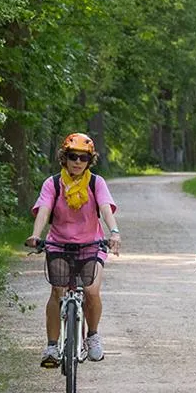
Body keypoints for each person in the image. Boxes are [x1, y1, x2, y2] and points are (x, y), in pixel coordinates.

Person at [25, 132, 121, 368]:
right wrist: (36, 236)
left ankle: (93, 335)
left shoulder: (96, 183)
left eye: (83, 158)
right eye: (72, 156)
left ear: (90, 161)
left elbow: (105, 208)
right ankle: (51, 346)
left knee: (91, 290)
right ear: (64, 158)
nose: (78, 162)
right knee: (57, 291)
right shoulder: (53, 183)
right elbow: (45, 210)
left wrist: (114, 232)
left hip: (91, 245)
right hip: (59, 244)